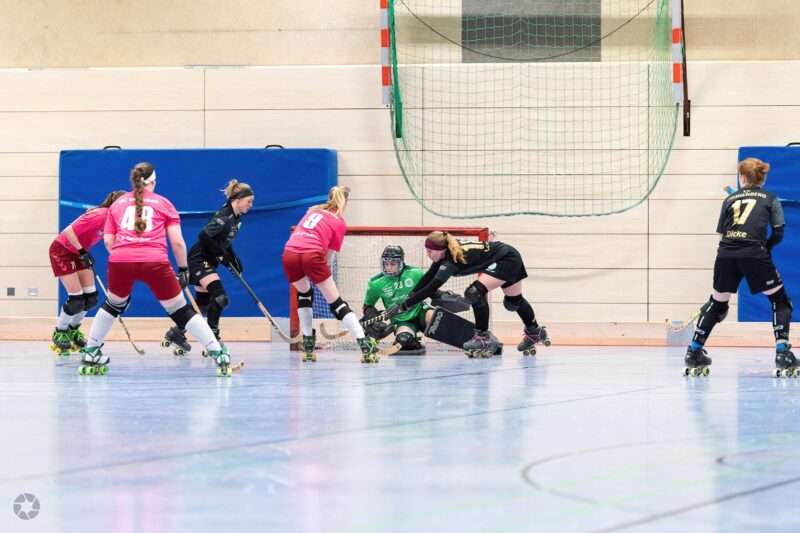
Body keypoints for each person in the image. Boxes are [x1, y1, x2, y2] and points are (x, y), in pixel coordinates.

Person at [79, 162, 233, 376]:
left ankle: (91, 350)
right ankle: (218, 352)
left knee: (113, 305)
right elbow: (177, 242)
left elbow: (108, 241)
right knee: (181, 311)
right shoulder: (164, 203)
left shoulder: (117, 204)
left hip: (120, 261)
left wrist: (125, 255)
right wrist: (183, 269)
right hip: (155, 262)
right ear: (153, 181)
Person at [684, 158, 793, 376]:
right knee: (780, 301)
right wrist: (766, 248)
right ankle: (782, 353)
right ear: (763, 178)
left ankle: (694, 351)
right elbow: (778, 233)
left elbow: (722, 236)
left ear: (742, 177)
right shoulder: (770, 198)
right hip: (754, 253)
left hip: (726, 255)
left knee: (717, 303)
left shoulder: (730, 199)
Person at [384, 231, 548, 357]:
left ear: (441, 250)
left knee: (473, 292)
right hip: (508, 255)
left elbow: (431, 287)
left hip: (507, 259)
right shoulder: (444, 254)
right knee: (513, 303)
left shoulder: (451, 259)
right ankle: (535, 331)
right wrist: (410, 296)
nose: (428, 255)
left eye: (430, 251)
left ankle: (482, 337)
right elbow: (427, 277)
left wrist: (404, 305)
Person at [282, 185, 379, 363]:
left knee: (304, 294)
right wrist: (318, 271)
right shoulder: (339, 222)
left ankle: (308, 344)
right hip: (312, 255)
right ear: (346, 202)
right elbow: (327, 258)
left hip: (289, 254)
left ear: (328, 199)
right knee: (336, 303)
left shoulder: (311, 212)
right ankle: (364, 343)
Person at [162, 179, 254, 354]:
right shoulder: (224, 215)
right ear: (238, 199)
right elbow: (204, 235)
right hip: (199, 259)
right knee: (221, 298)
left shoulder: (237, 218)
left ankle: (176, 333)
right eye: (249, 201)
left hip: (209, 261)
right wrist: (221, 254)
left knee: (203, 304)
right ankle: (213, 338)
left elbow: (225, 241)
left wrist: (233, 259)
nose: (251, 205)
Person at [48, 190, 126, 355]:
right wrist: (82, 251)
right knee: (76, 300)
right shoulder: (100, 215)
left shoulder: (115, 221)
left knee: (91, 300)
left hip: (78, 252)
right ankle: (60, 331)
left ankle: (72, 330)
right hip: (62, 250)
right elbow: (69, 231)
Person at [362, 245, 433, 355]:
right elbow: (368, 306)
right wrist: (371, 317)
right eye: (386, 264)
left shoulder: (415, 273)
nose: (389, 267)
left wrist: (441, 297)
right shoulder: (375, 283)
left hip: (420, 311)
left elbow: (430, 289)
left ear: (401, 262)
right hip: (401, 320)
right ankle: (413, 340)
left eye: (393, 264)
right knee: (404, 340)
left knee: (437, 320)